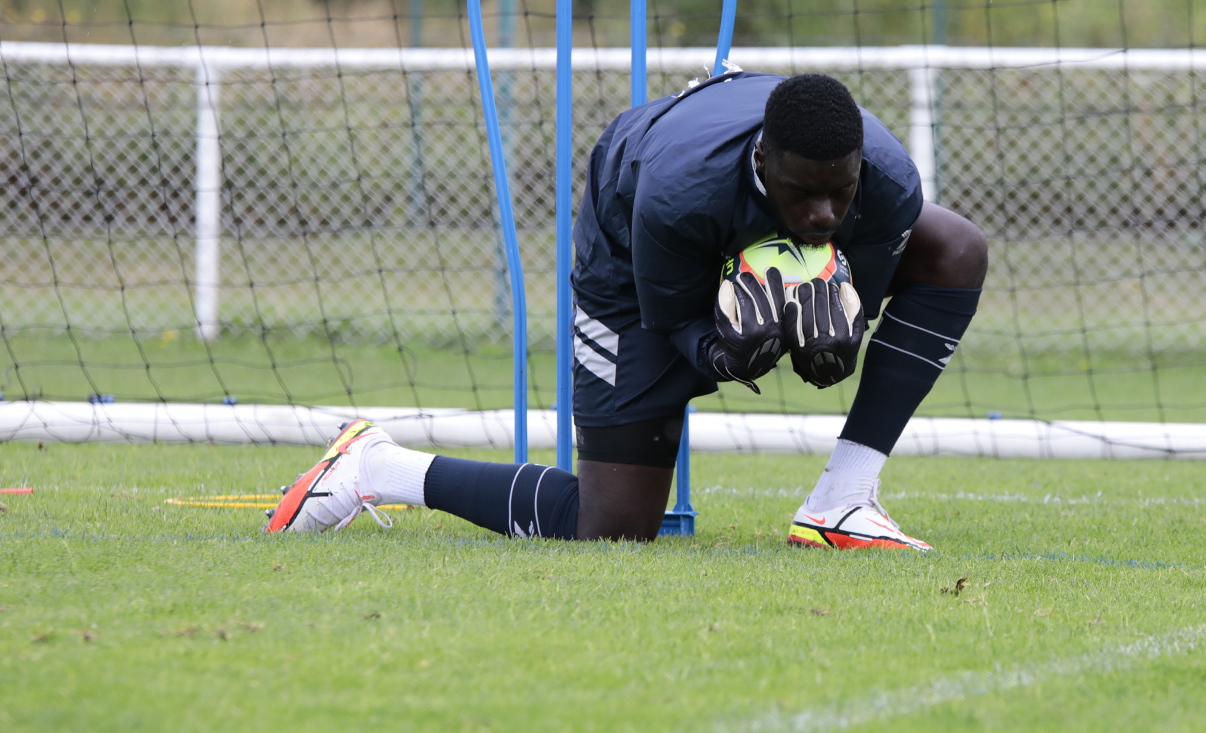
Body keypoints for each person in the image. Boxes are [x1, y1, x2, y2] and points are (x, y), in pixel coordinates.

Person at [264, 72, 986, 550]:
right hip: (628, 247)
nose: (825, 213)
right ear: (764, 162)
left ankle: (842, 500)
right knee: (610, 528)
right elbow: (672, 320)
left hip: (715, 220)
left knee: (956, 248)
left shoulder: (888, 184)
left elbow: (853, 298)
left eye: (841, 190)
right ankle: (374, 466)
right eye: (803, 193)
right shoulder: (677, 194)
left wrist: (839, 341)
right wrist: (722, 354)